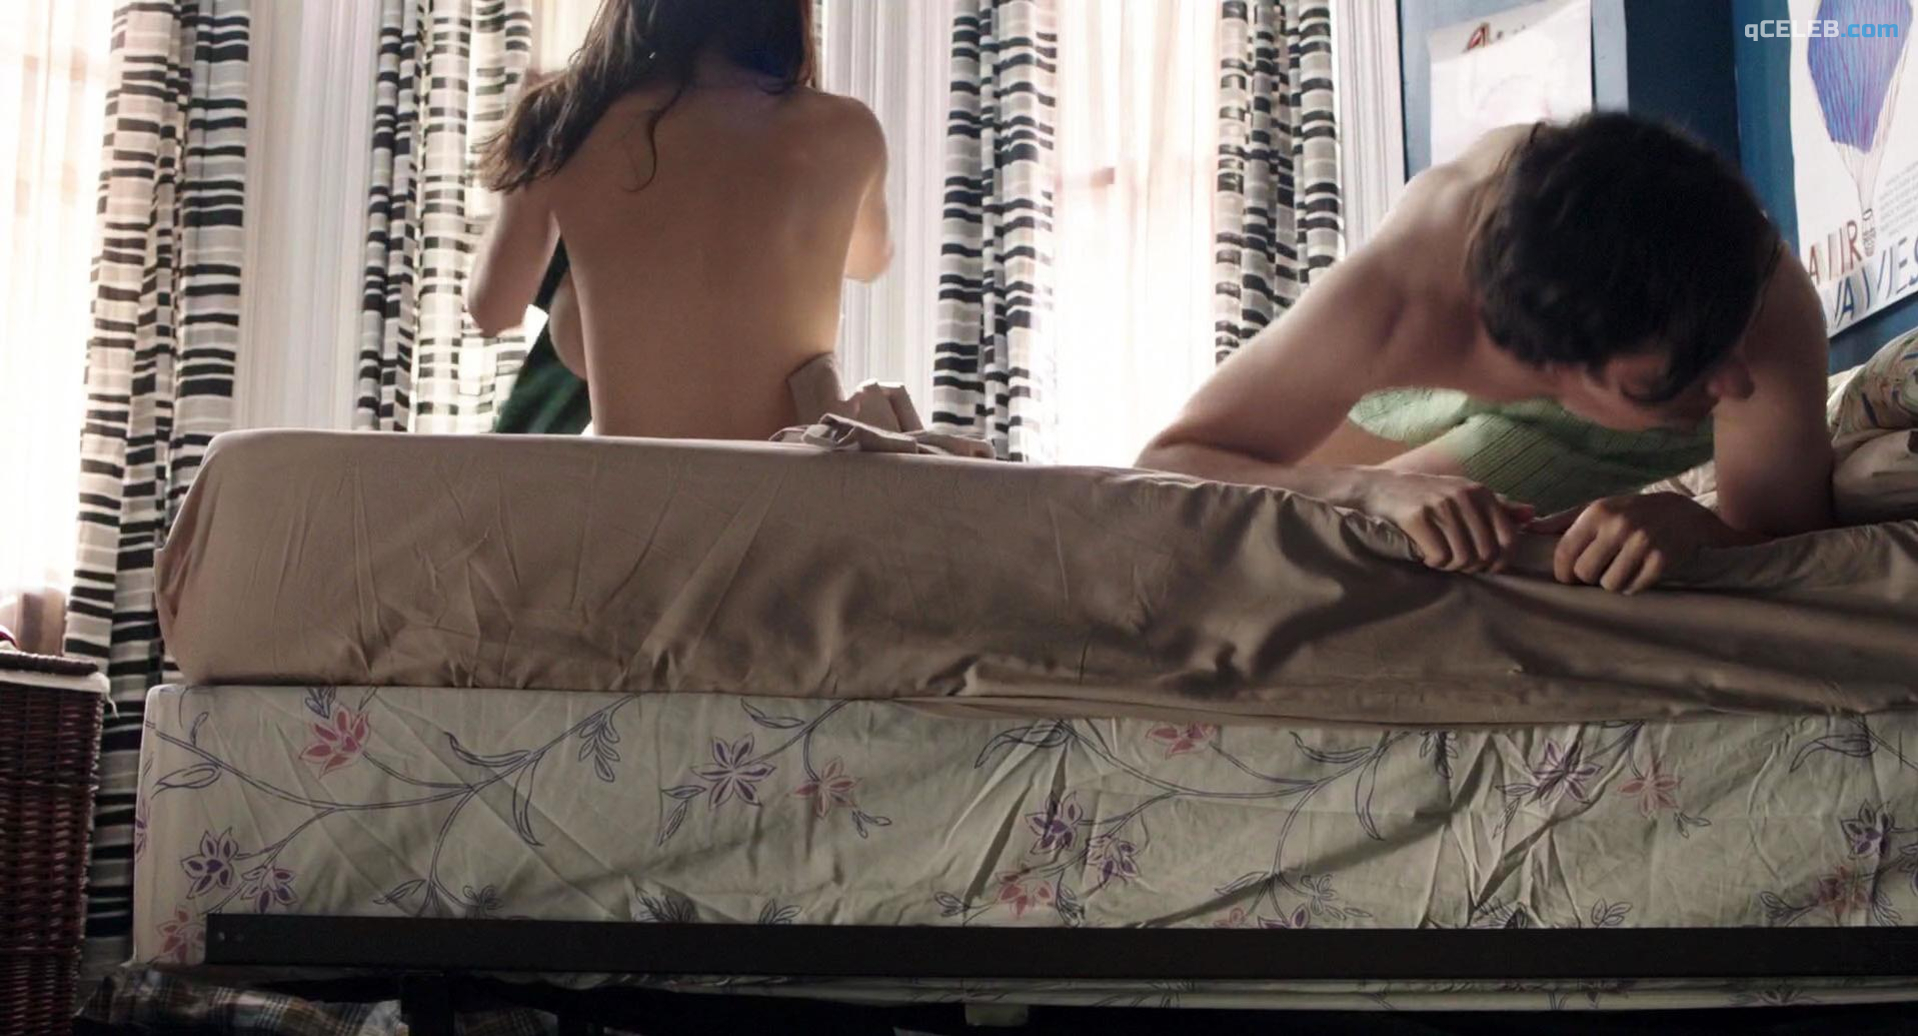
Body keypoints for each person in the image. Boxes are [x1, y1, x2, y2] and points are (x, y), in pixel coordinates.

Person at [1138, 112, 1833, 593]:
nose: (1737, 386)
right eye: (1682, 372)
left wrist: (1697, 527)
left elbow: (1795, 551)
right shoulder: (1399, 295)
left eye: (1726, 344)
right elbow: (1171, 468)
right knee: (1329, 528)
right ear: (1553, 369)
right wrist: (1366, 489)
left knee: (1413, 558)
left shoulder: (1762, 294)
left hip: (1576, 378)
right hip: (1454, 335)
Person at [466, 0, 892, 441]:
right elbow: (870, 260)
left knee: (569, 305)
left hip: (641, 476)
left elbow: (493, 309)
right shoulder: (846, 128)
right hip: (784, 475)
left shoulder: (566, 121)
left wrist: (528, 161)